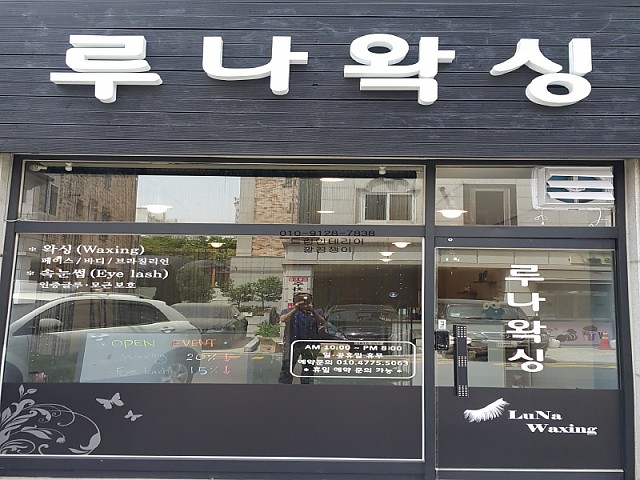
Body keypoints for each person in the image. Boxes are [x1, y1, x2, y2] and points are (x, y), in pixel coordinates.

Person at [277, 292, 325, 384]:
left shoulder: (317, 312)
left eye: (307, 301)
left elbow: (322, 322)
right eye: (301, 301)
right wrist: (295, 309)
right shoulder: (288, 311)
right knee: (287, 367)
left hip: (310, 344)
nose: (304, 304)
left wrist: (312, 311)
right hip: (292, 343)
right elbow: (283, 319)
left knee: (308, 369)